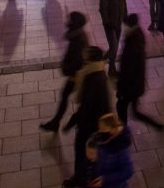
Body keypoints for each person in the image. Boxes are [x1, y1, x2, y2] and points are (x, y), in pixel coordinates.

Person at [63, 46, 111, 188]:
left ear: (91, 60)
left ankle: (83, 180)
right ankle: (82, 178)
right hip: (92, 123)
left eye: (86, 58)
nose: (83, 60)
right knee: (86, 153)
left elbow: (87, 106)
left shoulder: (95, 78)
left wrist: (73, 121)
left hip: (91, 125)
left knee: (85, 153)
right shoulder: (95, 73)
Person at [40, 11, 89, 132]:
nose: (67, 21)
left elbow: (78, 59)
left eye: (70, 20)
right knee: (71, 97)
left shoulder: (77, 39)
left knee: (72, 98)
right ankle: (57, 122)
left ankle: (60, 123)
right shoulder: (77, 35)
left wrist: (70, 72)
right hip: (77, 73)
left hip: (76, 75)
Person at [116, 14, 164, 130]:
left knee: (121, 107)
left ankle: (123, 133)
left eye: (124, 25)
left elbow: (128, 70)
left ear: (128, 25)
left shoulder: (132, 42)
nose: (123, 27)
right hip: (136, 84)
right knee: (135, 112)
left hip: (130, 86)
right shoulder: (137, 36)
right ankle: (158, 126)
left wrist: (121, 88)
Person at [89, 113, 134, 188]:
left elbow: (128, 171)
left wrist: (105, 179)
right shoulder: (104, 138)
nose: (101, 132)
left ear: (113, 129)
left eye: (104, 130)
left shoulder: (121, 149)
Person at [99, 0, 127, 75]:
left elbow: (124, 6)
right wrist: (106, 22)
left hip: (118, 23)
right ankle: (102, 62)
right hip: (110, 25)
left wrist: (126, 17)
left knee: (114, 47)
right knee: (114, 46)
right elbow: (103, 8)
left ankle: (111, 68)